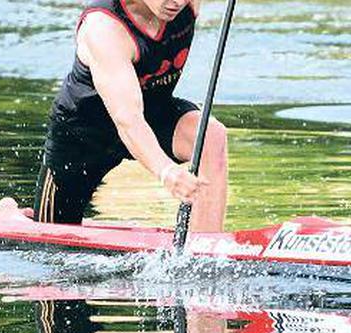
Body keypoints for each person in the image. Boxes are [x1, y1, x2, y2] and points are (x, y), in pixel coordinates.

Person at [29, 0, 228, 232]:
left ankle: (206, 246)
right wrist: (166, 171)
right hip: (83, 136)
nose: (177, 2)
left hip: (153, 115)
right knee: (50, 240)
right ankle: (10, 214)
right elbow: (128, 120)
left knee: (210, 137)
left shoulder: (188, 3)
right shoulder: (103, 27)